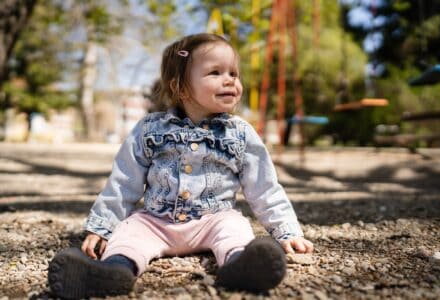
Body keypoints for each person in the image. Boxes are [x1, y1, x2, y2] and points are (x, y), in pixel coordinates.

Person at [48, 33, 314, 299]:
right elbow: (123, 181)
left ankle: (240, 266)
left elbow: (264, 187)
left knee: (236, 228)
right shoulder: (150, 129)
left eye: (234, 72)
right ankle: (112, 272)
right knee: (129, 233)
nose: (231, 80)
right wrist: (102, 227)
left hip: (214, 220)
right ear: (180, 87)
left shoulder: (240, 133)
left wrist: (286, 230)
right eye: (215, 72)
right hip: (156, 222)